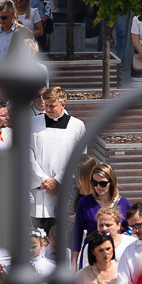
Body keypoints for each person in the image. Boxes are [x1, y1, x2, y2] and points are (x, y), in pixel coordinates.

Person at [29, 87, 87, 233]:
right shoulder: (32, 123)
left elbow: (79, 158)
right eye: (46, 105)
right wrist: (44, 180)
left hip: (65, 188)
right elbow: (27, 153)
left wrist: (57, 180)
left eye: (52, 106)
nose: (48, 109)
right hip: (39, 188)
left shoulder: (77, 126)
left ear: (63, 105)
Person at [71, 162, 131, 268]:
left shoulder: (124, 203)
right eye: (95, 183)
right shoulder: (84, 202)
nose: (98, 187)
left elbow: (130, 230)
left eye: (103, 183)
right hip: (91, 253)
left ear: (111, 182)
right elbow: (77, 234)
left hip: (117, 254)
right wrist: (73, 263)